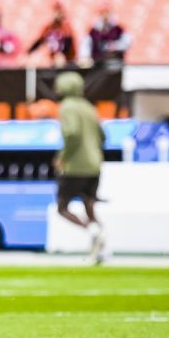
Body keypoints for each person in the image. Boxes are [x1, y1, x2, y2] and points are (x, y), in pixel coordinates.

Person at [53, 71, 107, 264]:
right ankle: (101, 248)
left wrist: (63, 157)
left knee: (62, 207)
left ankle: (92, 233)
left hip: (76, 166)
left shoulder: (67, 107)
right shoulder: (88, 107)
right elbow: (102, 136)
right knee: (90, 206)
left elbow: (72, 133)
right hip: (95, 165)